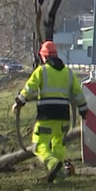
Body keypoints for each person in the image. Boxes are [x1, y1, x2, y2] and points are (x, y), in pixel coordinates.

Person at [12, 41, 87, 182]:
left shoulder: (41, 71)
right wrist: (83, 110)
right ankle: (58, 174)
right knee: (59, 142)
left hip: (46, 115)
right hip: (63, 115)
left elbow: (29, 88)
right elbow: (78, 93)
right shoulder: (68, 73)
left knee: (39, 144)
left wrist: (19, 102)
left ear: (44, 56)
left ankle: (53, 163)